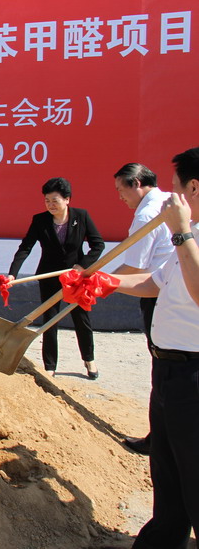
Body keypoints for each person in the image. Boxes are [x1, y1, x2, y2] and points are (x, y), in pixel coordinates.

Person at [111, 147, 199, 548]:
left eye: (176, 188)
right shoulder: (192, 234)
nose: (170, 197)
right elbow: (154, 281)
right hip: (167, 371)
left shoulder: (187, 235)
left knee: (194, 474)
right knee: (168, 474)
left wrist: (179, 232)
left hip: (193, 375)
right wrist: (104, 283)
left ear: (193, 188)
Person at [7, 177, 105, 378]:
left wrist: (82, 266)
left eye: (55, 200)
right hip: (49, 276)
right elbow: (25, 248)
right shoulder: (40, 220)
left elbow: (98, 245)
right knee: (49, 320)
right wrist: (12, 273)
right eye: (47, 201)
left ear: (67, 199)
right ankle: (50, 366)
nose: (50, 205)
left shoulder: (81, 216)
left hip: (75, 278)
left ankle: (89, 359)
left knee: (81, 319)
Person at [112, 163, 173, 455]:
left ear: (136, 183)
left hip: (157, 293)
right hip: (175, 291)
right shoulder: (169, 200)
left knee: (163, 368)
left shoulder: (147, 214)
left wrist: (101, 281)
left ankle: (158, 440)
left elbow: (136, 267)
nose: (120, 197)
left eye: (121, 190)